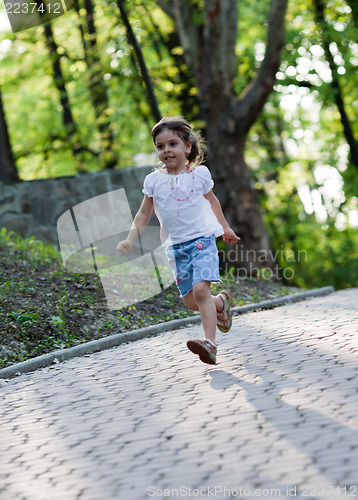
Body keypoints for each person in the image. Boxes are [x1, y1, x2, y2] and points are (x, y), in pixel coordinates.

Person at [117, 116, 240, 365]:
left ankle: (210, 344)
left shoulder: (199, 176)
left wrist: (224, 228)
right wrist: (130, 240)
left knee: (200, 290)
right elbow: (144, 213)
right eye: (160, 146)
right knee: (191, 301)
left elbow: (213, 202)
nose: (166, 150)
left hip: (202, 241)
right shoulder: (154, 181)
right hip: (176, 248)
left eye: (172, 144)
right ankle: (221, 303)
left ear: (188, 147)